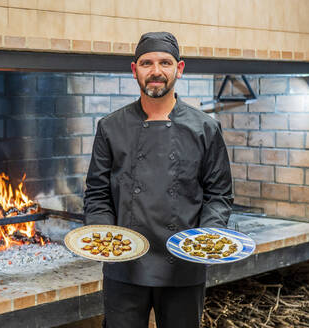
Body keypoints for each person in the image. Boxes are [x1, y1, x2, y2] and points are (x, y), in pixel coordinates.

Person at [83, 32, 233, 328]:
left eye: (165, 62)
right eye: (146, 63)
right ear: (134, 70)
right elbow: (97, 193)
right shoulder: (110, 127)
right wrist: (104, 238)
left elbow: (219, 195)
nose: (155, 71)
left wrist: (205, 239)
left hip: (184, 265)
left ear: (179, 69)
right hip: (124, 266)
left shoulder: (206, 128)